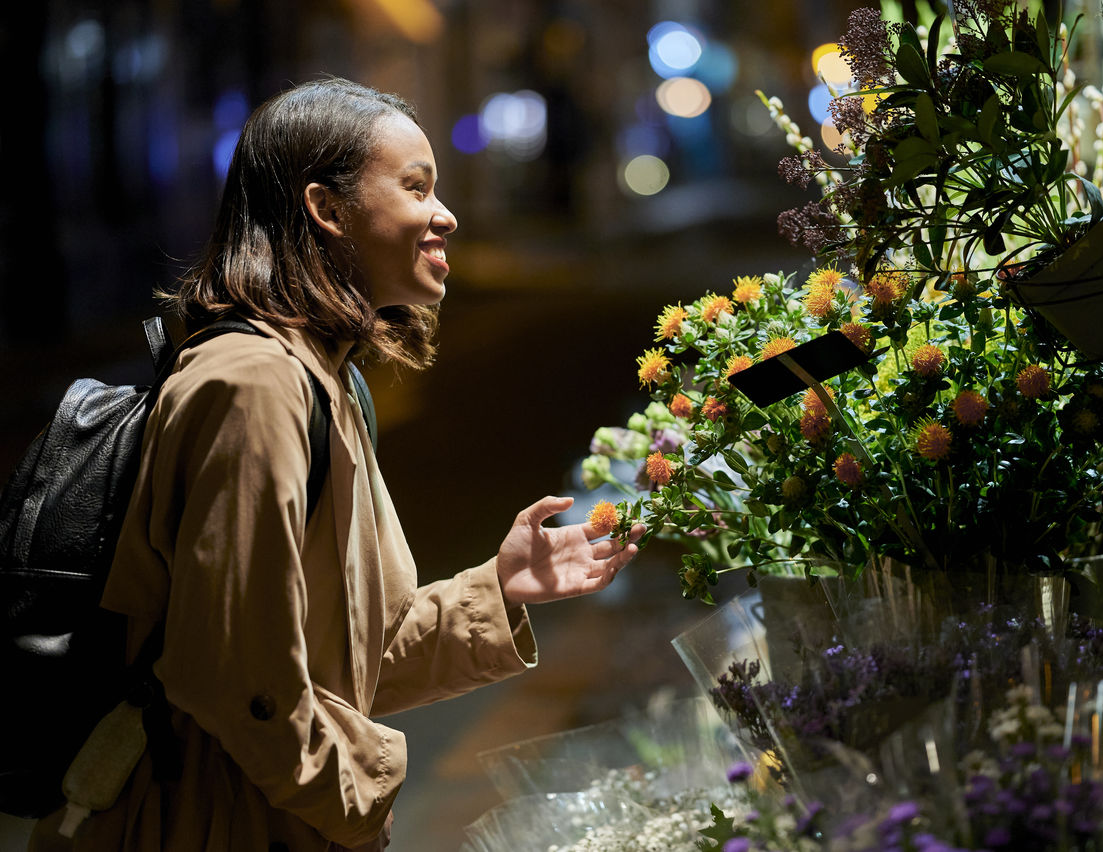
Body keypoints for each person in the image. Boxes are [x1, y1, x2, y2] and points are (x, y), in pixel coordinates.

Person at [29, 76, 643, 851]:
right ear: (327, 208)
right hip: (206, 821)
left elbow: (350, 660)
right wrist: (358, 791)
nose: (444, 214)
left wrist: (499, 587)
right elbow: (235, 679)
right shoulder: (252, 385)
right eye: (416, 187)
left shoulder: (323, 377)